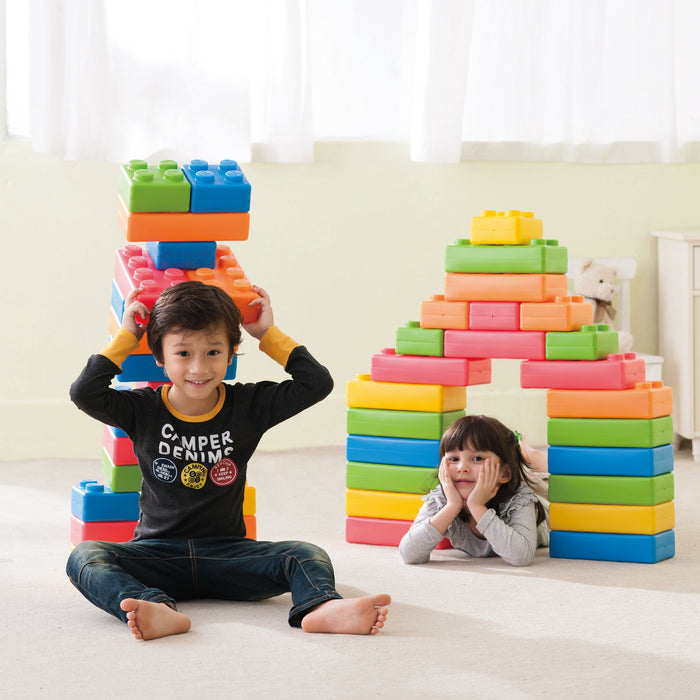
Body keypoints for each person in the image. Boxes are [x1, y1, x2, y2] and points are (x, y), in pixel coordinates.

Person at [68, 281, 390, 640]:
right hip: (157, 556)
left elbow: (316, 383)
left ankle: (320, 607)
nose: (199, 368)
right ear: (160, 357)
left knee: (305, 553)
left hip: (229, 556)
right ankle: (155, 607)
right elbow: (84, 392)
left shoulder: (248, 406)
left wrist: (267, 334)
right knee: (85, 557)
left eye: (213, 352)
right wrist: (128, 337)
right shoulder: (142, 409)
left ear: (231, 353)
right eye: (183, 353)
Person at [399, 414, 549, 567]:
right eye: (454, 459)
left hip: (543, 498)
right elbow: (409, 554)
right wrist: (452, 506)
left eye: (477, 458)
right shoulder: (441, 498)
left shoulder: (518, 499)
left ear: (504, 473)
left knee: (550, 483)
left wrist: (477, 506)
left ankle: (531, 455)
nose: (462, 468)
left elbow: (521, 557)